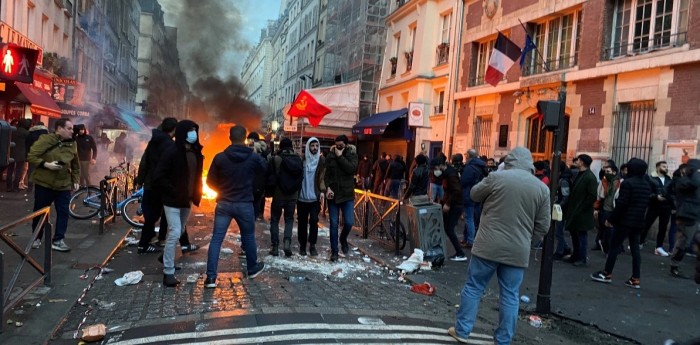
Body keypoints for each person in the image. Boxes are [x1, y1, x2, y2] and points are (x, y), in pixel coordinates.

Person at [448, 147, 550, 345]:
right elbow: (543, 226)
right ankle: (503, 340)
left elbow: (475, 194)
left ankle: (462, 330)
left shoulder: (497, 177)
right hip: (517, 250)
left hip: (488, 245)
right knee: (511, 296)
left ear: (509, 161)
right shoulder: (541, 189)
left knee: (474, 287)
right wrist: (526, 239)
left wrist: (495, 175)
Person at [205, 125, 267, 287]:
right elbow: (265, 168)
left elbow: (210, 181)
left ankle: (211, 277)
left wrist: (223, 190)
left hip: (224, 203)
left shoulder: (220, 158)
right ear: (245, 138)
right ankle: (252, 268)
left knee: (217, 239)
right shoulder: (253, 158)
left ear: (230, 137)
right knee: (248, 237)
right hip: (245, 203)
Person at [152, 120, 203, 287]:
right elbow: (159, 175)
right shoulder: (172, 152)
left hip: (186, 200)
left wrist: (196, 193)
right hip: (172, 200)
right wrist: (172, 190)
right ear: (182, 132)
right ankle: (168, 272)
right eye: (190, 130)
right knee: (174, 232)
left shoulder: (195, 152)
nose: (193, 133)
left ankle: (165, 256)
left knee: (180, 230)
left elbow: (196, 176)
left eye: (195, 130)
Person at [591, 158, 652, 289]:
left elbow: (622, 204)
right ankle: (635, 278)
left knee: (614, 246)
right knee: (635, 249)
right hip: (638, 221)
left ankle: (607, 273)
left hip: (624, 221)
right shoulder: (647, 184)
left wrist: (611, 219)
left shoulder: (628, 183)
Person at [27, 119, 79, 251]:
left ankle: (58, 239)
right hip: (44, 183)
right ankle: (37, 237)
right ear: (59, 128)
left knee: (63, 212)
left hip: (63, 184)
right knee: (40, 212)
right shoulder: (45, 140)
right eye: (69, 128)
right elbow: (32, 156)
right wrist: (46, 165)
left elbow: (75, 164)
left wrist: (75, 180)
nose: (72, 131)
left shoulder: (72, 144)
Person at [134, 118, 178, 254]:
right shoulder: (170, 145)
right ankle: (145, 244)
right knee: (158, 215)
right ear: (173, 130)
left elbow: (144, 162)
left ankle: (151, 239)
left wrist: (140, 180)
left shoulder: (153, 142)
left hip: (150, 184)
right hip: (161, 185)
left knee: (151, 215)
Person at [267, 137, 303, 257]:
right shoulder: (298, 159)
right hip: (292, 196)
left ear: (281, 147)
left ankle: (275, 246)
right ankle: (287, 243)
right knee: (289, 220)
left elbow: (269, 173)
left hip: (278, 195)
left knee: (275, 220)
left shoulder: (276, 159)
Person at [324, 135, 358, 261]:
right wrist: (327, 187)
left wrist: (340, 156)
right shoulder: (330, 155)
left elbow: (351, 169)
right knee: (333, 223)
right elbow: (326, 175)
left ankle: (343, 238)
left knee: (349, 222)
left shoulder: (352, 154)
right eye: (336, 145)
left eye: (341, 145)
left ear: (346, 145)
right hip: (333, 195)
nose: (338, 147)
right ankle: (334, 251)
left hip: (347, 194)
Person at [668, 159, 700, 279]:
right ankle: (674, 266)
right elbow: (694, 184)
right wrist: (696, 172)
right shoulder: (683, 181)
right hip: (687, 216)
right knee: (684, 242)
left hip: (696, 215)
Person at [432, 157, 468, 262]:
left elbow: (456, 191)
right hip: (452, 203)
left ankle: (460, 253)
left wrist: (447, 203)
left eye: (435, 167)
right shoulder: (448, 173)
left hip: (455, 205)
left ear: (440, 166)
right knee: (446, 227)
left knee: (449, 228)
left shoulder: (451, 175)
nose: (435, 170)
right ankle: (441, 248)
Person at [565, 154, 598, 266]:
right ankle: (575, 255)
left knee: (581, 235)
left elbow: (592, 195)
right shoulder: (581, 174)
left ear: (582, 162)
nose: (576, 162)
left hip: (582, 212)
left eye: (578, 160)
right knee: (575, 234)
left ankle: (581, 258)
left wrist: (582, 207)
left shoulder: (589, 177)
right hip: (576, 210)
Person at [297, 137, 326, 256]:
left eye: (316, 146)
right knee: (302, 223)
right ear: (308, 146)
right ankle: (302, 246)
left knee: (314, 221)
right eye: (312, 146)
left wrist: (323, 190)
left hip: (315, 199)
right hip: (302, 199)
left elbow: (324, 177)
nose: (314, 148)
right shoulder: (302, 160)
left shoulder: (321, 161)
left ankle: (312, 245)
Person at [641, 161, 673, 256]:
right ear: (658, 167)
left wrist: (670, 200)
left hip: (666, 207)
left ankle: (659, 247)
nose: (666, 168)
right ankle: (639, 242)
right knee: (646, 225)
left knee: (663, 228)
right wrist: (655, 197)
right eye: (664, 166)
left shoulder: (669, 179)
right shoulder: (650, 178)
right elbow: (647, 192)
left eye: (666, 166)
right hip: (654, 206)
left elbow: (672, 192)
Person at [461, 149, 486, 249]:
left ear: (469, 156)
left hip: (469, 194)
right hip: (479, 194)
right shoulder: (482, 166)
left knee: (469, 218)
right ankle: (466, 238)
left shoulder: (470, 167)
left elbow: (463, 181)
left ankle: (470, 240)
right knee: (473, 218)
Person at [593, 164, 621, 254]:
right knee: (606, 229)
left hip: (615, 209)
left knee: (612, 230)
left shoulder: (620, 182)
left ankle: (611, 247)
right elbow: (599, 196)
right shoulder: (603, 181)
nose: (606, 173)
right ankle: (606, 247)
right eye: (605, 172)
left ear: (614, 172)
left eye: (608, 171)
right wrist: (596, 208)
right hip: (605, 209)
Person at [553, 161, 573, 260]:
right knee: (558, 231)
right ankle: (565, 248)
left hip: (562, 209)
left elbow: (565, 196)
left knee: (559, 231)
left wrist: (558, 206)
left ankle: (560, 251)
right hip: (562, 207)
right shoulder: (563, 178)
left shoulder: (563, 180)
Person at [6, 119, 31, 192]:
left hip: (11, 152)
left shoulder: (12, 131)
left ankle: (8, 187)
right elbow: (28, 144)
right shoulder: (27, 133)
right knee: (18, 171)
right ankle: (15, 187)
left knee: (10, 170)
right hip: (21, 154)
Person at [25, 121, 49, 193]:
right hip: (43, 155)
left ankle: (30, 187)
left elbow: (27, 145)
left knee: (31, 171)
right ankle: (40, 187)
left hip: (33, 154)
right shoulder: (46, 134)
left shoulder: (31, 133)